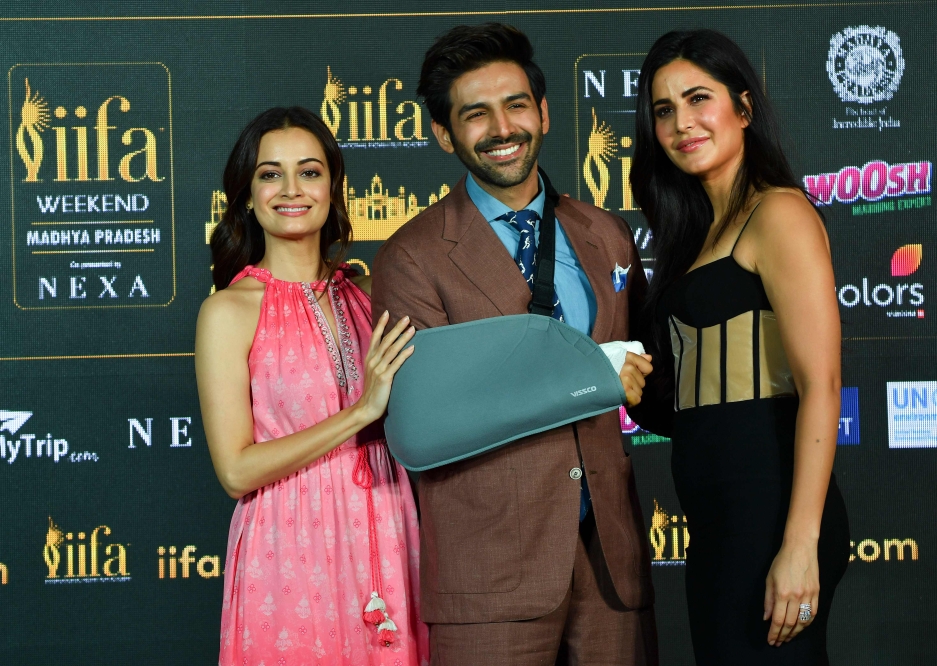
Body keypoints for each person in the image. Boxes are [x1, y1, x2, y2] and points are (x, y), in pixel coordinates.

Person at [372, 23, 657, 666]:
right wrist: (595, 377)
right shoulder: (413, 257)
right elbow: (427, 421)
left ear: (545, 112)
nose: (503, 128)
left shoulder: (604, 234)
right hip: (489, 572)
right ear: (445, 134)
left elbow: (647, 369)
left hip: (612, 565)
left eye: (517, 104)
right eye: (476, 114)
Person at [628, 29, 851, 664]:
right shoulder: (695, 236)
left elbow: (822, 385)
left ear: (744, 109)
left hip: (773, 517)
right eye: (663, 110)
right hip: (717, 523)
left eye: (699, 99)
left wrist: (800, 543)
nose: (682, 123)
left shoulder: (778, 213)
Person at [195, 107, 429, 665]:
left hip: (388, 528)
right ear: (248, 195)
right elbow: (235, 470)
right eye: (271, 174)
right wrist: (359, 412)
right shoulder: (228, 311)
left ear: (334, 187)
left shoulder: (373, 290)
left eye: (310, 171)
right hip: (286, 549)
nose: (292, 189)